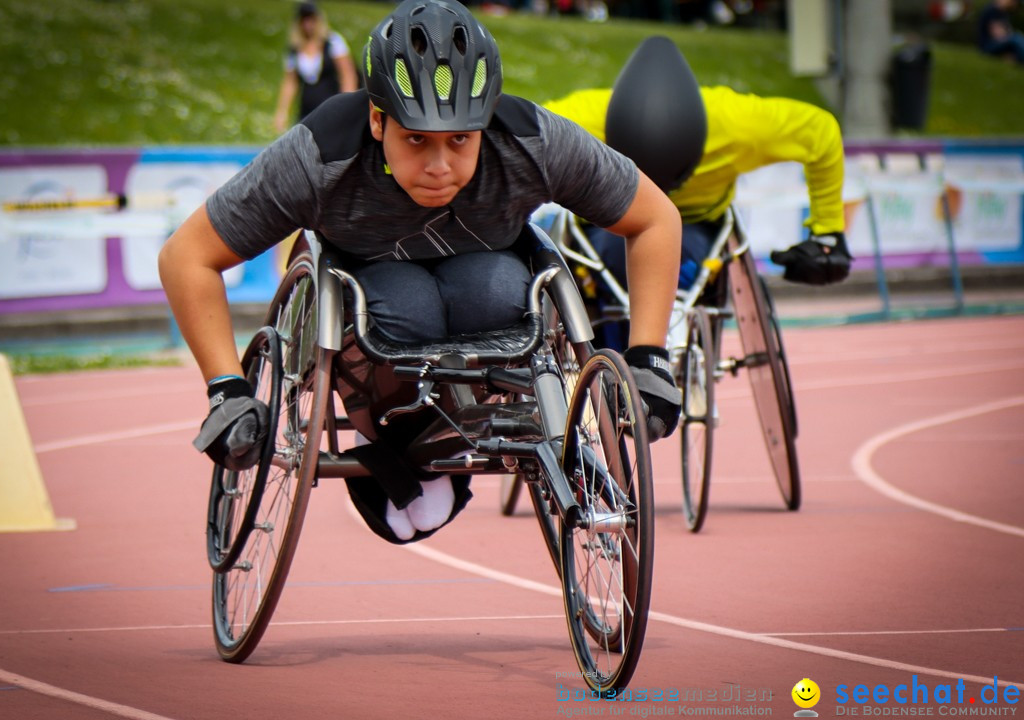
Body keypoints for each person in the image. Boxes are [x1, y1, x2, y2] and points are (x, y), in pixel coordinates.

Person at [160, 0, 683, 543]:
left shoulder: (532, 141)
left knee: (501, 290)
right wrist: (226, 389)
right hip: (372, 303)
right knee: (406, 301)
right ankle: (403, 447)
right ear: (377, 119)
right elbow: (187, 256)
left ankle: (453, 438)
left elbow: (655, 219)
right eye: (416, 140)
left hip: (490, 294)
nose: (439, 165)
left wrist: (649, 358)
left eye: (460, 140)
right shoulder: (319, 155)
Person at [542, 85, 852, 296]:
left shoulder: (738, 123)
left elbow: (821, 132)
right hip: (611, 219)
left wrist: (828, 233)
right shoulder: (580, 119)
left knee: (679, 267)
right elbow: (510, 138)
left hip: (694, 224)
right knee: (611, 265)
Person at [273, 2, 359, 134]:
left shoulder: (332, 42)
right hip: (306, 110)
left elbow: (347, 74)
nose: (308, 24)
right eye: (304, 20)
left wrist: (346, 105)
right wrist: (282, 111)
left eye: (311, 19)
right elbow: (290, 82)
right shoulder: (294, 50)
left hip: (330, 107)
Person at [976, 0, 1024, 65]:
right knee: (1016, 38)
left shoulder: (1004, 14)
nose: (1014, 5)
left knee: (1017, 38)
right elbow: (998, 36)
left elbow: (1008, 33)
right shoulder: (992, 10)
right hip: (987, 46)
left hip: (997, 45)